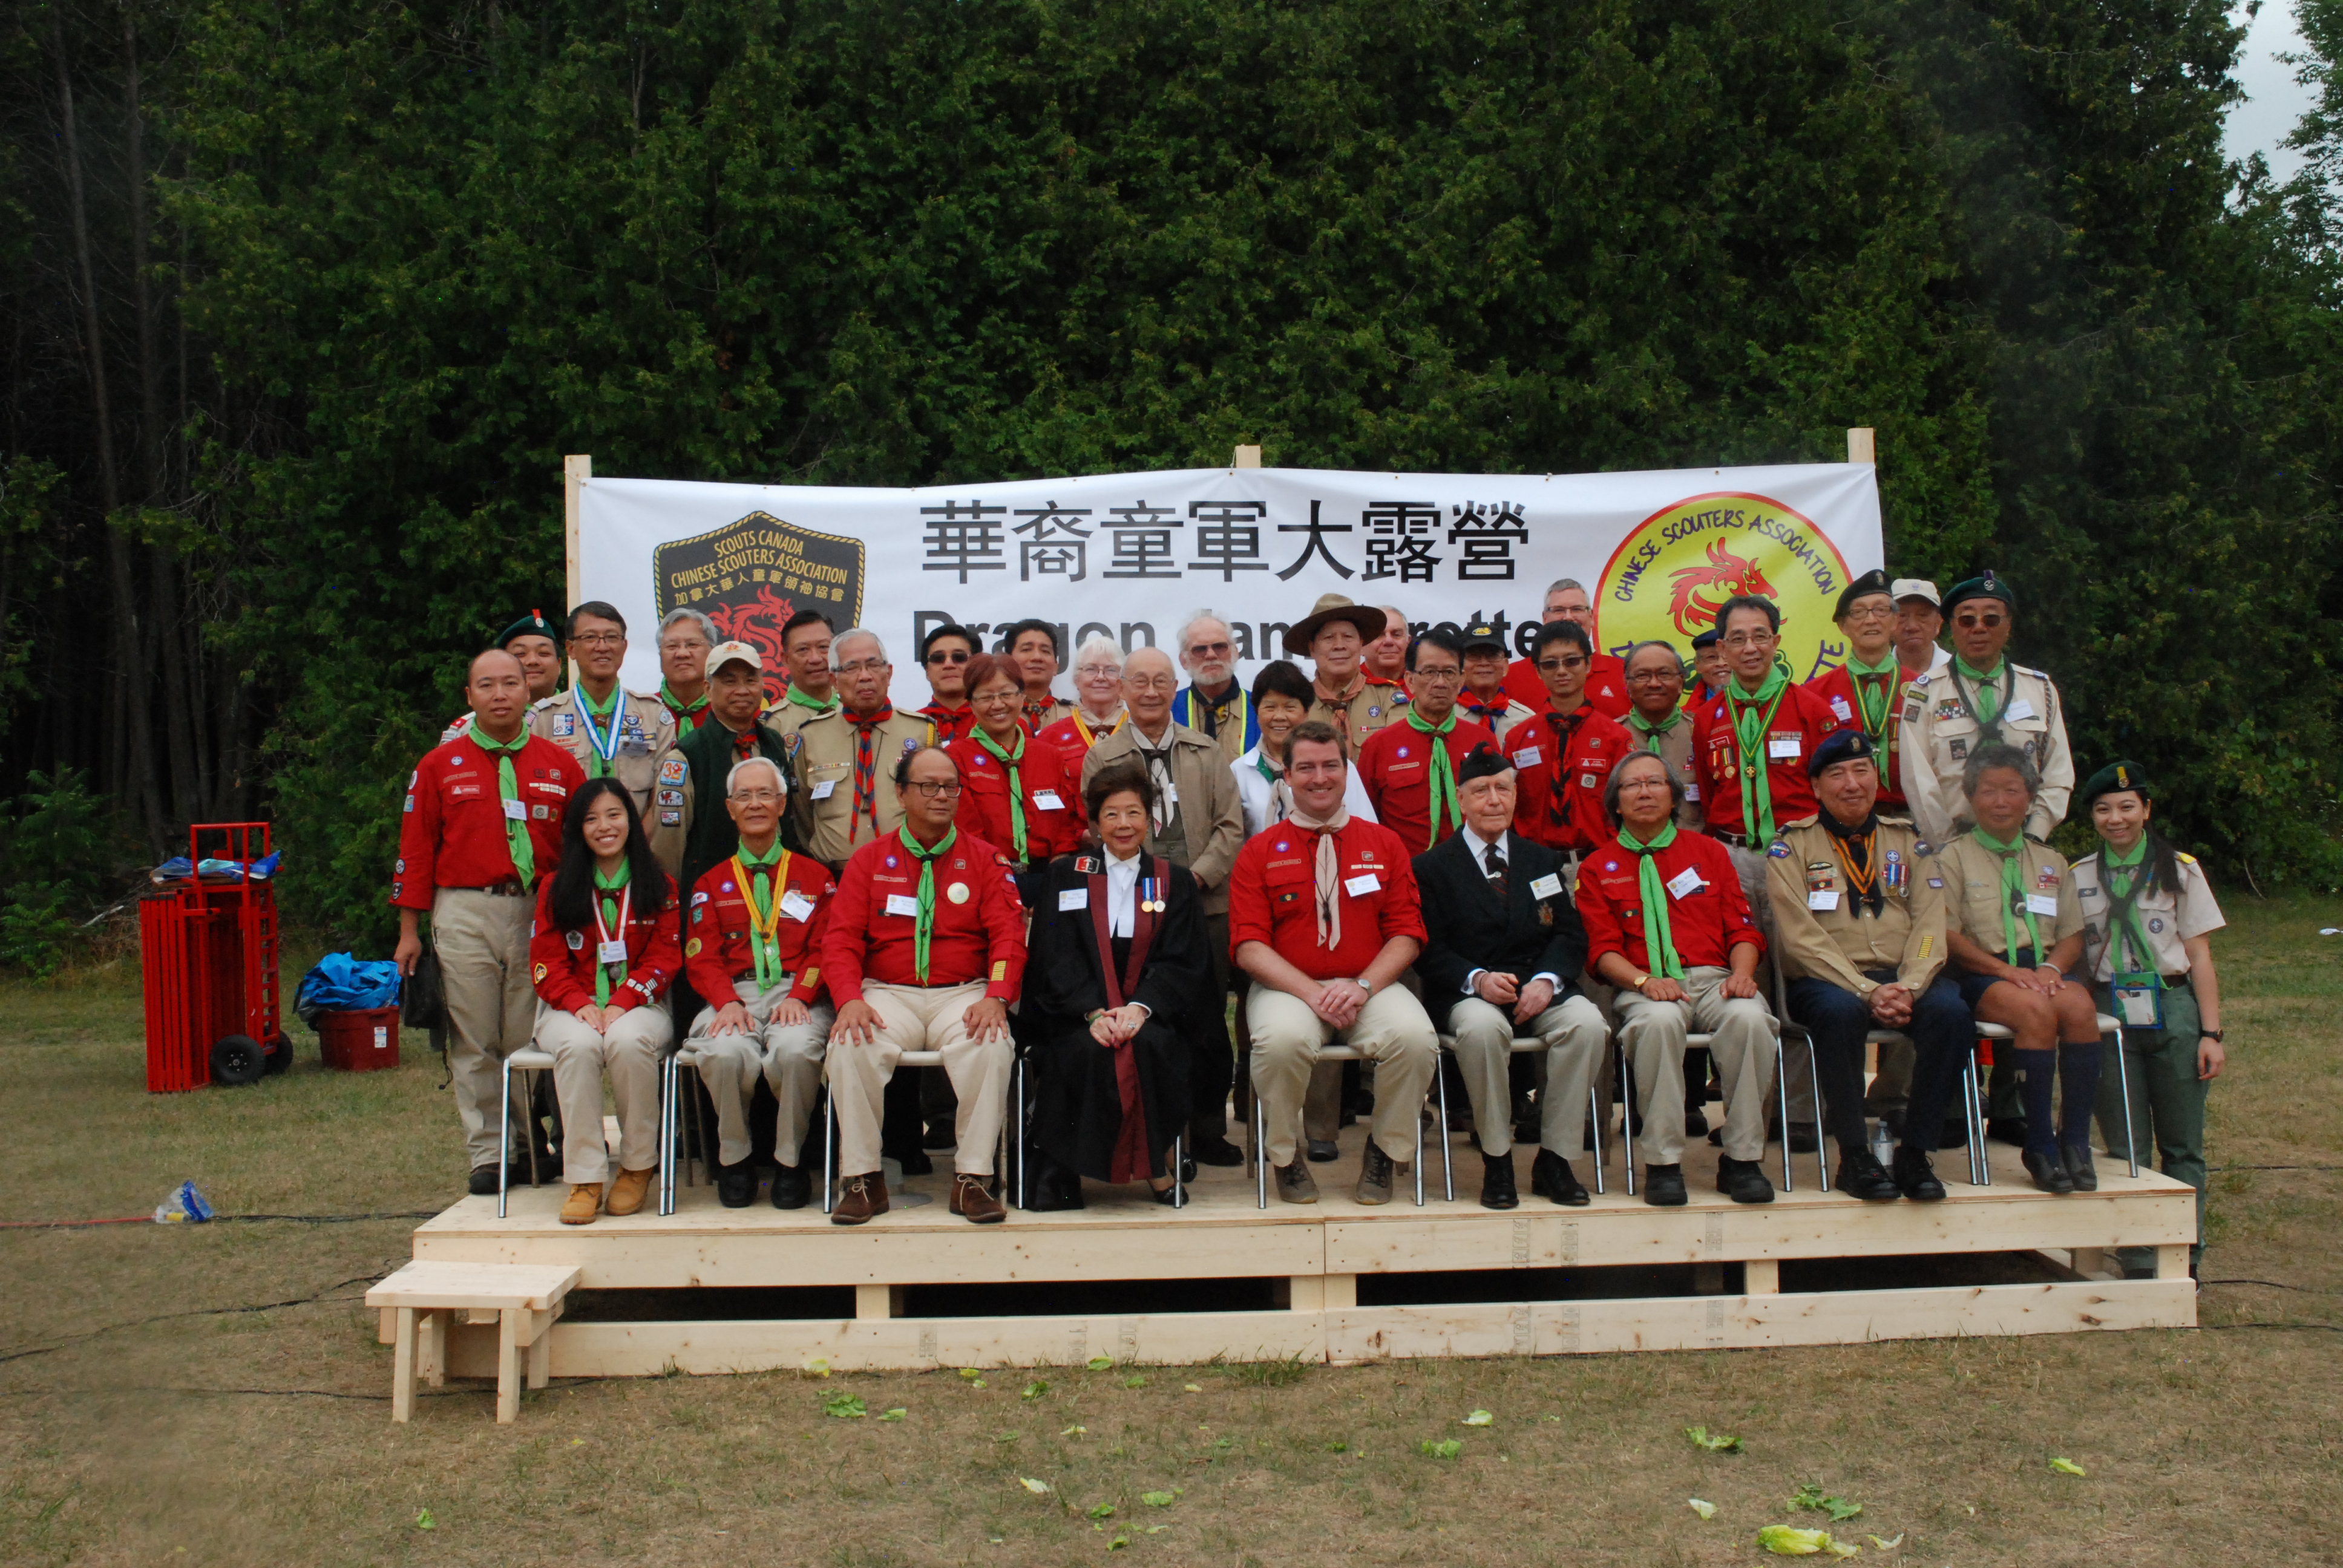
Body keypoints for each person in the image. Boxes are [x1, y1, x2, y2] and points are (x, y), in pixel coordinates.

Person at [394, 649, 585, 1193]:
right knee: (475, 1039)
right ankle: (490, 1153)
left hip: (537, 911)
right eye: (486, 685)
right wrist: (409, 932)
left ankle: (532, 1146)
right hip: (464, 909)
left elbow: (581, 847)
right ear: (469, 696)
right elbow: (416, 849)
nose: (500, 695)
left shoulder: (559, 764)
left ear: (529, 692)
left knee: (527, 1037)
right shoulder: (440, 765)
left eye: (510, 683)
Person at [1231, 721, 1440, 1205]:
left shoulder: (1384, 844)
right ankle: (1285, 1156)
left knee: (1415, 1039)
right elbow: (1249, 946)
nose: (1320, 778)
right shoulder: (1260, 851)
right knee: (1280, 1043)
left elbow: (1407, 934)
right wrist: (1312, 992)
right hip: (1289, 989)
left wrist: (1362, 987)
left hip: (1370, 985)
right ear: (1287, 775)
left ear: (1347, 772)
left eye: (1331, 766)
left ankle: (1384, 1151)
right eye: (1306, 768)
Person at [821, 746, 1026, 1224]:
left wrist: (997, 997)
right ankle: (863, 1178)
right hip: (888, 992)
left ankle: (973, 1178)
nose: (941, 796)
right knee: (850, 1043)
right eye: (928, 786)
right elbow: (841, 939)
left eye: (950, 787)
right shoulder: (869, 859)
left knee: (992, 1043)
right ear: (901, 794)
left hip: (964, 992)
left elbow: (1009, 936)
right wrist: (849, 1000)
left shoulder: (985, 859)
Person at [1766, 730, 1973, 1202]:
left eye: (1862, 771)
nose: (1852, 783)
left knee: (1952, 1014)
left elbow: (1929, 926)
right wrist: (1864, 989)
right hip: (1829, 980)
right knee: (1839, 1015)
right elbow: (1801, 937)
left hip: (1904, 976)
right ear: (1816, 787)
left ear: (1876, 779)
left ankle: (1915, 1152)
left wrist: (1911, 985)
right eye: (1837, 774)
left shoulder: (1909, 842)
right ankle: (1855, 1156)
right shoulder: (1792, 846)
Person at [1575, 751, 1777, 1205]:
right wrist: (1644, 983)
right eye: (1632, 785)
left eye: (1655, 783)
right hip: (1642, 985)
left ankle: (1743, 1158)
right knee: (1659, 1023)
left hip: (1715, 978)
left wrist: (1743, 975)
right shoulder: (1597, 867)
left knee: (1750, 1018)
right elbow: (1602, 951)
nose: (1645, 792)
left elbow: (1743, 929)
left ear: (1674, 797)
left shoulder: (1710, 853)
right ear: (1616, 804)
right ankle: (1663, 1163)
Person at [1412, 745, 1608, 1209]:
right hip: (1467, 992)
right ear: (1461, 799)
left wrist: (1547, 980)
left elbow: (1568, 933)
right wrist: (1477, 979)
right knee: (1482, 1031)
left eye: (1503, 788)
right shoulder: (1431, 867)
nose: (1494, 799)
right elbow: (1428, 948)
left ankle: (1555, 1159)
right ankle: (1497, 1159)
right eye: (1481, 790)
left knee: (1588, 1026)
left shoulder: (1542, 861)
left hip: (1538, 987)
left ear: (1516, 796)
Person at [1083, 647, 1248, 1165]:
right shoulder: (1103, 757)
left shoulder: (1207, 751)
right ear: (1123, 690)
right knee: (1147, 1015)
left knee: (1207, 1019)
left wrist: (1191, 881)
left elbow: (1230, 826)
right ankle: (1155, 1129)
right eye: (1139, 682)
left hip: (1205, 905)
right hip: (1131, 906)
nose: (1151, 692)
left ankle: (1207, 1129)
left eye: (1161, 682)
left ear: (1175, 688)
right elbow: (1100, 829)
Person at [1021, 762, 1210, 1209]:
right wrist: (1092, 1013)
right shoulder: (1066, 875)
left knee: (1149, 1048)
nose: (1123, 824)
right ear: (1095, 822)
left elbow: (1182, 961)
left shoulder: (1175, 881)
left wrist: (1140, 1009)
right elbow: (1055, 956)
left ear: (1149, 819)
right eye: (1111, 814)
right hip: (1076, 1015)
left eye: (1133, 813)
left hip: (1151, 1014)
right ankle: (1147, 1167)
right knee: (1086, 1052)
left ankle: (1150, 1163)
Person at [2073, 760, 2226, 1270]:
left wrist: (2211, 1033)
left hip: (2172, 1005)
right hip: (2108, 1011)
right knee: (2125, 1145)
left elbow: (2199, 955)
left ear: (2146, 810)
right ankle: (2138, 1251)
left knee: (2182, 1145)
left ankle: (2184, 1253)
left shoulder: (2179, 870)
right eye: (2103, 809)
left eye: (2126, 807)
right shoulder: (2078, 877)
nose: (2115, 819)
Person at [1936, 742, 2100, 1193]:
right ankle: (2039, 1144)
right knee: (2035, 1012)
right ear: (1971, 797)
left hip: (2041, 969)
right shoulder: (1952, 857)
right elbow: (1947, 935)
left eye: (2012, 790)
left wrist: (2051, 969)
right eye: (1989, 791)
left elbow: (2071, 932)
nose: (2001, 802)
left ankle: (2076, 1142)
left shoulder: (2051, 861)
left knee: (2081, 1008)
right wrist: (2005, 972)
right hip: (1981, 972)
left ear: (2029, 798)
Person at [680, 756, 837, 1210]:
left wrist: (801, 995)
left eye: (765, 794)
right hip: (734, 996)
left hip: (798, 993)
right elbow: (701, 956)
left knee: (796, 1050)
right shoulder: (712, 883)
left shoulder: (816, 877)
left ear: (783, 804)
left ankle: (791, 1161)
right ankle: (735, 1158)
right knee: (724, 1052)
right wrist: (726, 1002)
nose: (755, 804)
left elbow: (825, 948)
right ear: (730, 809)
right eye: (744, 796)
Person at [528, 777, 682, 1224]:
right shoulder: (556, 887)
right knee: (577, 1045)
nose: (604, 827)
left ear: (631, 821)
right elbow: (546, 960)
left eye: (614, 815)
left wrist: (624, 999)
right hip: (569, 1008)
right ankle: (585, 1177)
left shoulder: (660, 885)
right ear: (578, 829)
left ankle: (637, 1167)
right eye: (591, 819)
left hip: (641, 1006)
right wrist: (578, 1002)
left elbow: (665, 956)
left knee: (628, 1041)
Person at [1690, 593, 1841, 927]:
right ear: (1722, 648)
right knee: (1742, 949)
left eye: (1760, 636)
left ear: (1776, 642)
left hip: (1799, 851)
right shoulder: (1706, 718)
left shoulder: (1811, 708)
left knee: (1799, 949)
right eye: (1738, 639)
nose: (1750, 648)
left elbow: (1832, 789)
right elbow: (1708, 792)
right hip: (1733, 857)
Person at [1899, 571, 2074, 848]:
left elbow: (2058, 772)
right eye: (1967, 620)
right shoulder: (1925, 694)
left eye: (1991, 619)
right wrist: (1948, 847)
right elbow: (1918, 782)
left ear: (2009, 626)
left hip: (2025, 842)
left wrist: (2035, 835)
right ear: (1952, 627)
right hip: (1952, 845)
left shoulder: (2040, 689)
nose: (1979, 628)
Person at [529, 602, 682, 869]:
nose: (602, 647)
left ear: (624, 646)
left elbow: (663, 794)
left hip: (636, 856)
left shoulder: (655, 716)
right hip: (566, 859)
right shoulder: (543, 719)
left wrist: (633, 845)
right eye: (590, 638)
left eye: (611, 637)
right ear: (571, 649)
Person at [790, 629, 930, 871]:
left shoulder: (922, 731)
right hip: (833, 875)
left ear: (889, 673)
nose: (865, 676)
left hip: (905, 871)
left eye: (873, 666)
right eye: (851, 668)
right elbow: (803, 812)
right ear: (834, 680)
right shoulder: (811, 736)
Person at [669, 641, 797, 906]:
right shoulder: (688, 755)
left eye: (750, 680)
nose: (742, 690)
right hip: (713, 896)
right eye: (729, 681)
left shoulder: (774, 743)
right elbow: (669, 843)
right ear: (708, 689)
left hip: (780, 890)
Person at [940, 653, 1085, 877]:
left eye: (1006, 694)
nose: (998, 705)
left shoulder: (1049, 756)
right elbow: (967, 832)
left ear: (1022, 696)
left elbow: (1065, 827)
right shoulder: (956, 758)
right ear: (971, 703)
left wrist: (1055, 878)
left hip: (1049, 875)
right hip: (986, 875)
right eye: (986, 697)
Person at [1355, 628, 1496, 851]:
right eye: (1429, 672)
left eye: (1449, 672)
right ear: (1410, 680)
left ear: (1462, 680)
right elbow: (1365, 822)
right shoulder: (1379, 746)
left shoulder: (1483, 741)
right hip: (1408, 867)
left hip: (1475, 865)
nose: (1440, 683)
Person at [1507, 620, 1635, 863]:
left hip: (1599, 862)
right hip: (1534, 864)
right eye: (1550, 664)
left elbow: (1628, 808)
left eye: (1572, 661)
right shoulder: (1517, 738)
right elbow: (1509, 808)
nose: (1561, 671)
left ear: (1588, 664)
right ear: (1538, 671)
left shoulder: (1615, 737)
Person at [1805, 570, 1918, 812]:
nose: (1871, 620)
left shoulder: (1924, 688)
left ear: (1896, 620)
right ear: (1842, 626)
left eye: (1881, 610)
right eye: (1858, 612)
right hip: (1841, 816)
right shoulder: (1814, 694)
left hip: (1911, 816)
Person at [1231, 661, 1378, 835]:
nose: (1279, 717)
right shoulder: (1239, 771)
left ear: (1307, 711)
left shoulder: (1337, 766)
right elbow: (1234, 837)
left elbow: (1367, 829)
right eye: (1270, 707)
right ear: (1257, 711)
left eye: (1290, 707)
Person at [1285, 593, 1404, 754]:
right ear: (1312, 648)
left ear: (1361, 644)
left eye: (1348, 637)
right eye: (1329, 638)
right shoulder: (1297, 704)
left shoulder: (1388, 698)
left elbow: (1400, 758)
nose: (1339, 646)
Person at [1502, 578, 1629, 717]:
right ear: (1544, 618)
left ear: (1591, 617)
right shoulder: (1511, 677)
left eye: (1577, 609)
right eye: (1559, 610)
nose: (1568, 617)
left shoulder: (1624, 673)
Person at [439, 609, 563, 742]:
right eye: (520, 654)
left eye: (544, 653)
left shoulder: (577, 713)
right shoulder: (467, 729)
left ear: (559, 664)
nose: (532, 661)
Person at [1620, 640, 1705, 833]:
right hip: (1628, 847)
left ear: (1681, 682)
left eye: (1664, 674)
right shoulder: (1612, 736)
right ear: (1627, 685)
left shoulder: (1701, 732)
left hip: (1693, 845)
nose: (1654, 683)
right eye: (1642, 676)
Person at [1172, 612, 1259, 764]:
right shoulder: (1169, 709)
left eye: (1219, 647)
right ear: (1183, 660)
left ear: (1235, 653)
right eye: (1200, 649)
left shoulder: (1260, 708)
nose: (1211, 655)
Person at [1037, 634, 1128, 771]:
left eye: (1111, 670)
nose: (1101, 677)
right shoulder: (1050, 738)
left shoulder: (1141, 731)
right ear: (1077, 679)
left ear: (1123, 681)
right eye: (1091, 669)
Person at [1457, 621, 1537, 741]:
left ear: (1506, 666)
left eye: (1492, 656)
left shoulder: (1526, 720)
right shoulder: (1444, 717)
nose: (1484, 663)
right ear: (1460, 666)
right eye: (1474, 656)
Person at [1000, 617, 1072, 734]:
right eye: (1027, 650)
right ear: (1007, 661)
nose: (1037, 657)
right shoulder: (993, 713)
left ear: (1056, 666)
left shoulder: (1077, 716)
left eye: (1045, 651)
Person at [654, 608, 718, 734]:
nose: (682, 654)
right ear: (660, 655)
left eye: (692, 644)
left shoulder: (733, 709)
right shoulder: (642, 711)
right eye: (672, 646)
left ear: (713, 652)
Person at [916, 622, 980, 745]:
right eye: (938, 658)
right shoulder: (910, 725)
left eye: (959, 657)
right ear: (927, 671)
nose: (948, 665)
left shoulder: (995, 720)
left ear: (976, 666)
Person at [773, 610, 839, 725]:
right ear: (786, 659)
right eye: (803, 649)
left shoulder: (859, 715)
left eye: (823, 647)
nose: (815, 659)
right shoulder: (771, 725)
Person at [1892, 579, 1951, 677]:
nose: (1912, 627)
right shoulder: (1875, 673)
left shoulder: (1957, 672)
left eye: (1923, 615)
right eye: (1902, 616)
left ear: (1939, 622)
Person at [1363, 604, 1411, 690]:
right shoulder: (1345, 685)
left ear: (1409, 642)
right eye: (1378, 635)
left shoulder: (1424, 684)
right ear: (1361, 646)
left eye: (1397, 635)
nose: (1388, 641)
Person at [1685, 629, 1725, 710]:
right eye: (1711, 657)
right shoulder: (1686, 716)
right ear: (1697, 664)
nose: (1721, 663)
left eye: (1727, 656)